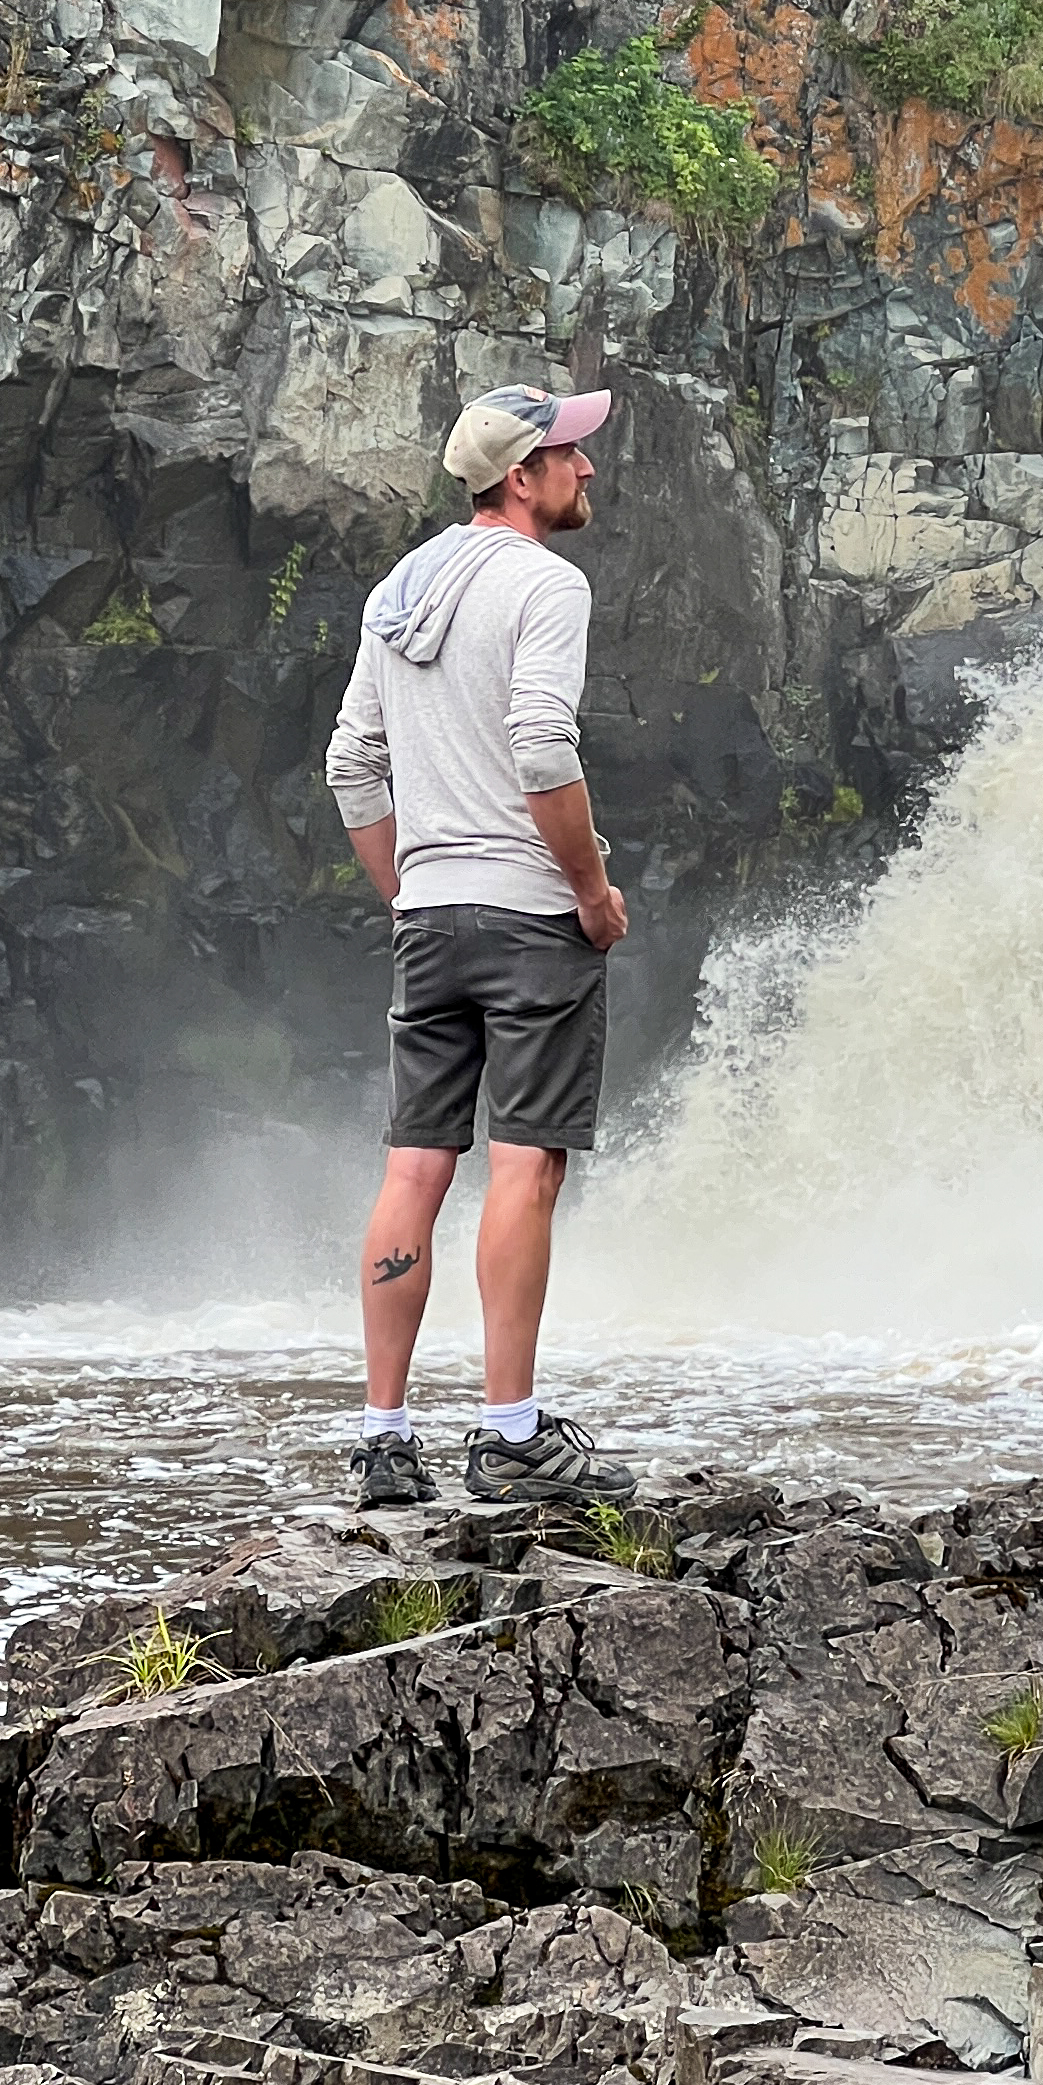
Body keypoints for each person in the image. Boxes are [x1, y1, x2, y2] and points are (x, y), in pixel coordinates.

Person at [322, 382, 635, 1507]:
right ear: (521, 474)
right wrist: (590, 890)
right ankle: (508, 1436)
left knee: (414, 1167)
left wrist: (408, 890)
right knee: (525, 1163)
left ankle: (383, 1441)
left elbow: (351, 765)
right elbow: (544, 748)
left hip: (432, 918)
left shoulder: (398, 589)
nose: (586, 470)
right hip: (528, 917)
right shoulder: (547, 584)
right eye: (568, 455)